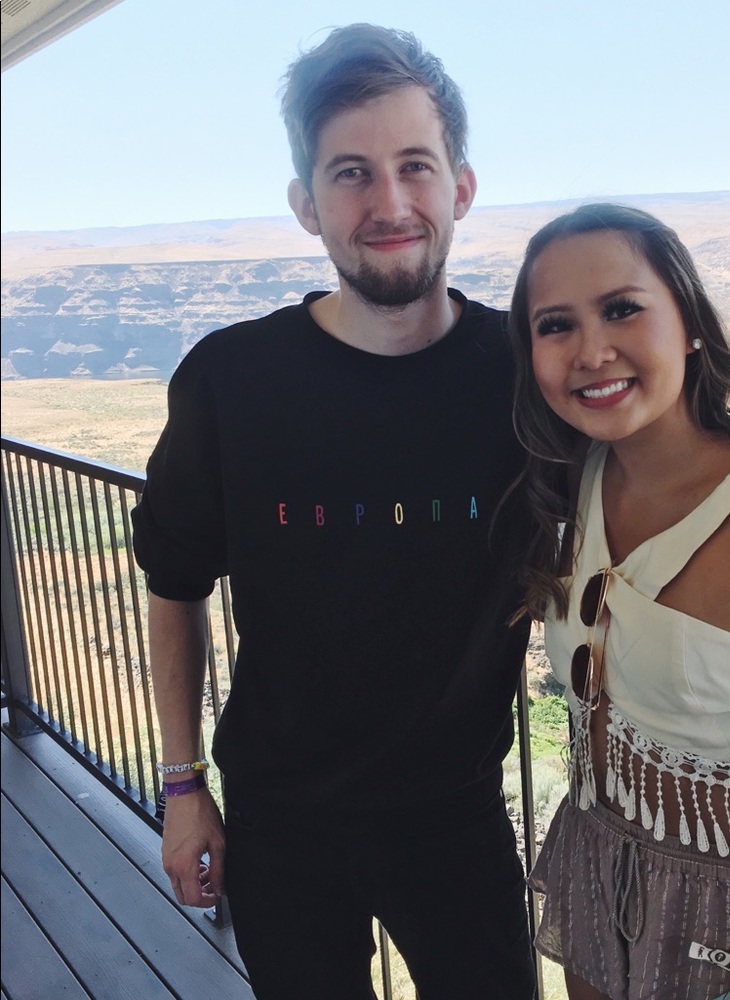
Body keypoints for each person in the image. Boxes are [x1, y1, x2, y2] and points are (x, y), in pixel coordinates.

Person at [131, 24, 536, 1000]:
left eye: (414, 166)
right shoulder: (232, 381)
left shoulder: (522, 376)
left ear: (461, 187)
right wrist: (183, 787)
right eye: (351, 173)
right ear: (306, 204)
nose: (388, 203)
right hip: (281, 824)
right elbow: (173, 586)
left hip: (458, 819)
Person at [507, 203, 730, 1000]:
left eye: (623, 309)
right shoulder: (577, 480)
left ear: (690, 325)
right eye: (555, 325)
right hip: (598, 873)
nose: (591, 350)